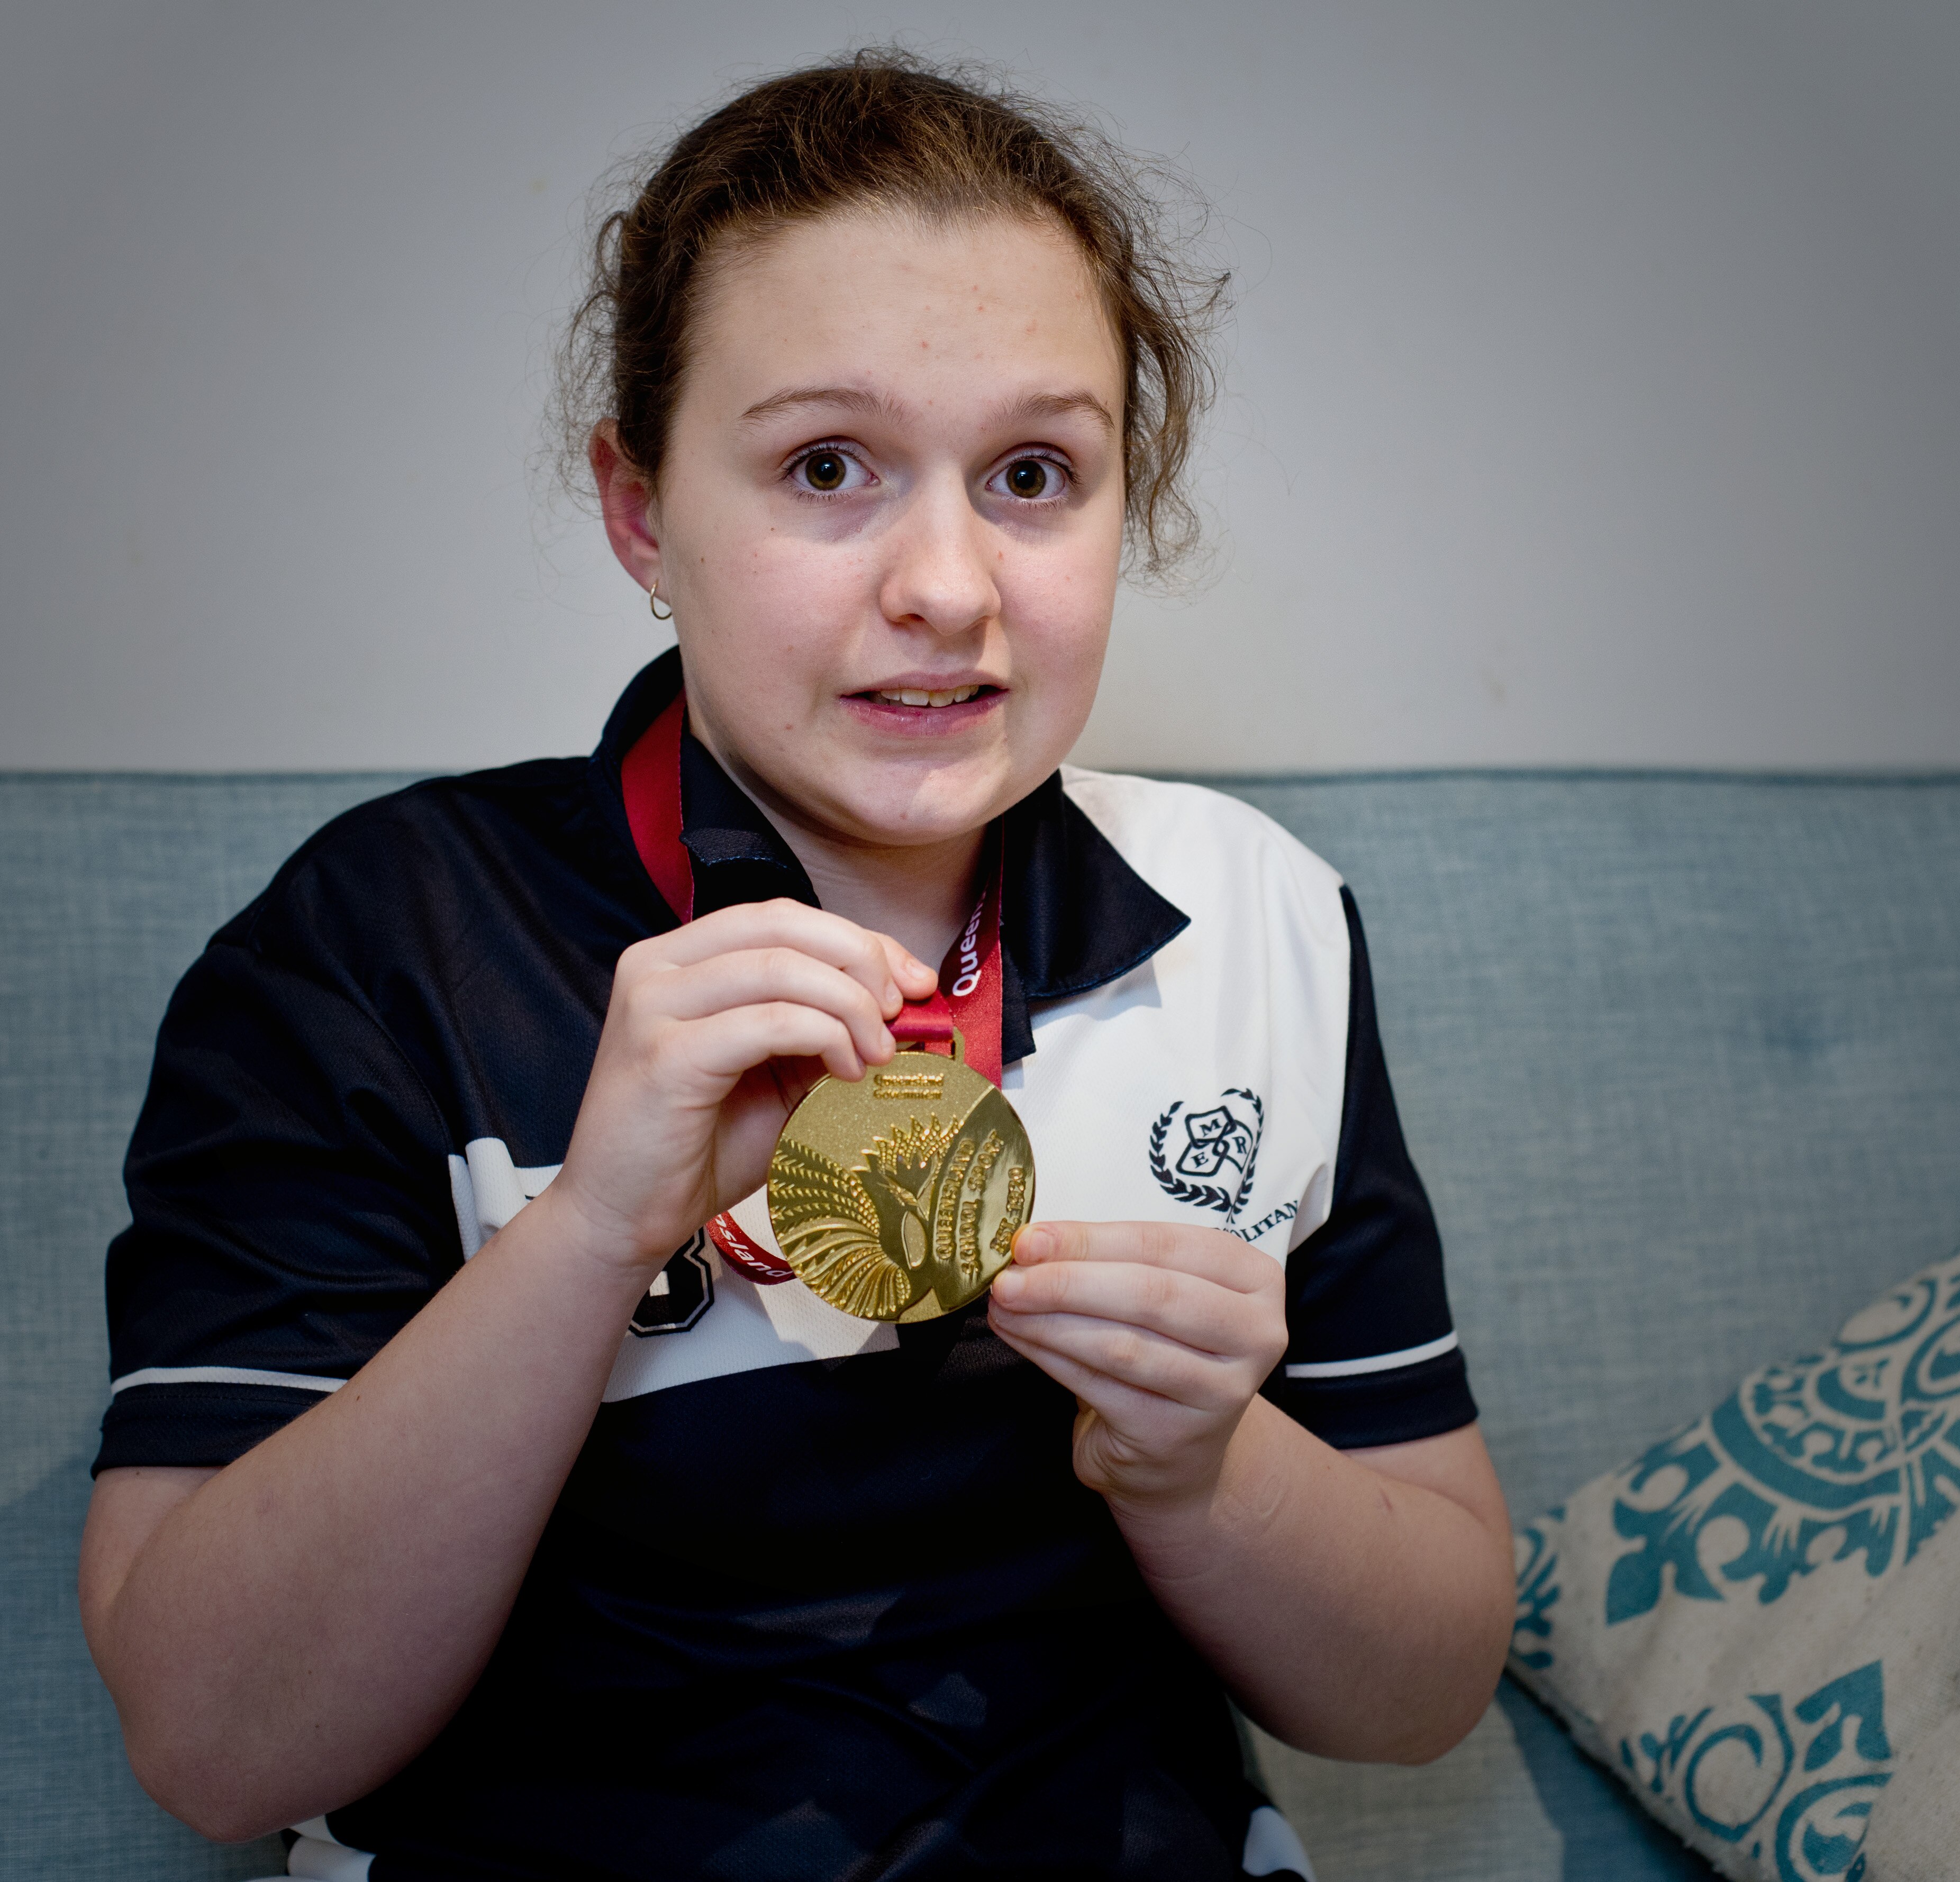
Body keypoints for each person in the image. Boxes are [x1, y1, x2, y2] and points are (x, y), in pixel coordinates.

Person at [78, 52, 1514, 1882]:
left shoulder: (1260, 918)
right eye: (826, 467)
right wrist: (594, 1232)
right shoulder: (376, 945)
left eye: (1033, 474)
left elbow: (1417, 1692)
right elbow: (212, 1743)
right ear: (638, 510)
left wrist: (1199, 1471)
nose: (946, 584)